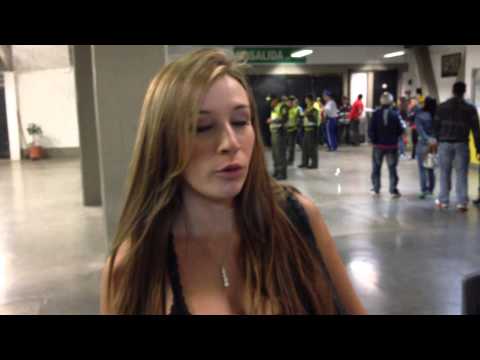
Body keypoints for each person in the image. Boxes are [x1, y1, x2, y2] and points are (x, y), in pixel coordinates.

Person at [99, 48, 366, 315]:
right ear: (163, 142)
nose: (230, 143)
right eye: (202, 127)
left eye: (240, 121)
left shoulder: (297, 218)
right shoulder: (131, 269)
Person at [433, 81, 480, 211]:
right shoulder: (470, 109)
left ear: (453, 91)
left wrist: (437, 141)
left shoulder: (442, 107)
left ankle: (443, 201)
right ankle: (461, 202)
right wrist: (478, 147)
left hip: (445, 144)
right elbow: (476, 130)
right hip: (462, 144)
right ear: (464, 92)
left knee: (444, 173)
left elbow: (435, 127)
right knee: (462, 173)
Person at [368, 92, 405, 198]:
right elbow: (400, 129)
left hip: (378, 146)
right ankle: (393, 190)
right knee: (392, 168)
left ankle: (376, 188)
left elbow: (371, 130)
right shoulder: (395, 114)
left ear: (381, 101)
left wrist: (374, 141)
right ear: (391, 102)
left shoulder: (375, 114)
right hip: (392, 146)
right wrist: (394, 138)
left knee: (376, 167)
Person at [415, 97, 438, 199]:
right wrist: (433, 140)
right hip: (434, 144)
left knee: (422, 169)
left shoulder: (420, 115)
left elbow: (420, 130)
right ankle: (431, 189)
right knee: (431, 168)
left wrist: (427, 139)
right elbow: (439, 130)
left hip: (423, 144)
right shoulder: (438, 115)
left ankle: (423, 190)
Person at [267, 95, 289, 180]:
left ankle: (282, 173)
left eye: (271, 100)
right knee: (275, 154)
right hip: (274, 133)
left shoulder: (282, 106)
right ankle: (277, 171)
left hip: (280, 133)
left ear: (276, 100)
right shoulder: (274, 108)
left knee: (280, 154)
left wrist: (272, 121)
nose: (270, 103)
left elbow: (284, 118)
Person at [298, 95, 320, 169]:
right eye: (305, 99)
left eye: (307, 99)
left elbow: (315, 120)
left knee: (312, 148)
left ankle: (314, 164)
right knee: (304, 147)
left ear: (311, 100)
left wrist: (308, 115)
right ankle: (304, 162)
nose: (306, 101)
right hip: (306, 130)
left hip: (312, 130)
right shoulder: (306, 109)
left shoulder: (314, 109)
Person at [286, 95, 301, 165]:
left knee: (291, 146)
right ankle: (288, 159)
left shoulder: (297, 109)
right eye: (288, 101)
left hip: (293, 130)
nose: (289, 103)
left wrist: (297, 127)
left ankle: (290, 160)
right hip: (287, 130)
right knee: (288, 146)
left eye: (290, 101)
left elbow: (298, 120)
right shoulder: (287, 109)